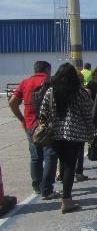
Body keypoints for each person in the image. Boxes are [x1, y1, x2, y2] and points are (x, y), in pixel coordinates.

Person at [39, 63, 94, 213]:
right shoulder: (81, 93)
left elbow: (43, 113)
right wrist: (91, 132)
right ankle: (67, 200)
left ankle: (55, 188)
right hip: (74, 135)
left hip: (55, 134)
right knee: (70, 166)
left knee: (62, 163)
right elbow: (88, 114)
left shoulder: (51, 92)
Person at [8, 61, 59, 200]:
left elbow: (12, 102)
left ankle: (37, 187)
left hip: (31, 124)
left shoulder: (25, 83)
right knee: (50, 155)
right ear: (47, 69)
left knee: (36, 157)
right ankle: (47, 189)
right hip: (48, 125)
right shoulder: (50, 81)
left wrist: (22, 119)